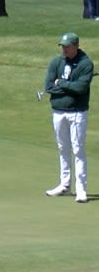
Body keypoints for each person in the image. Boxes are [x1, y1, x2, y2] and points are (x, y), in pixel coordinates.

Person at [44, 32, 93, 203]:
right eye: (62, 46)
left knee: (78, 149)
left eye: (67, 46)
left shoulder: (85, 64)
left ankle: (81, 189)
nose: (64, 49)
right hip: (58, 111)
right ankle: (65, 185)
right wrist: (65, 87)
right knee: (62, 147)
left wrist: (62, 83)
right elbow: (49, 86)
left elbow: (80, 88)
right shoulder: (56, 62)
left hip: (77, 112)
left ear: (76, 46)